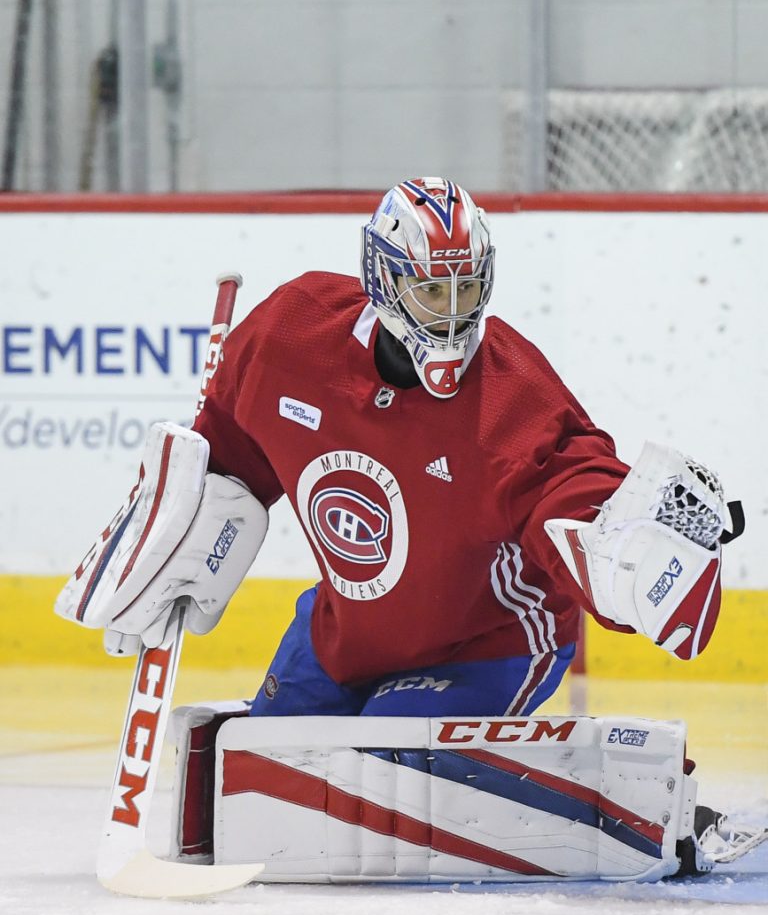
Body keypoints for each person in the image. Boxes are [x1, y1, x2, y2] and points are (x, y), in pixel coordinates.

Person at [56, 176, 740, 722]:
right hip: (345, 634)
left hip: (487, 643)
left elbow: (570, 478)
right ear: (383, 277)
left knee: (385, 765)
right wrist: (174, 533)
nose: (450, 311)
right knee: (255, 767)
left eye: (466, 287)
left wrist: (629, 541)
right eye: (430, 288)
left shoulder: (507, 391)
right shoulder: (292, 335)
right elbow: (229, 451)